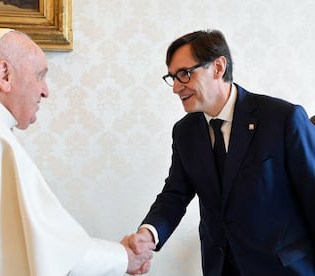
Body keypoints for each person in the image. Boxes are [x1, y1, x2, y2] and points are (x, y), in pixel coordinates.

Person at [0, 28, 155, 276]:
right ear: (4, 74)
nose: (46, 91)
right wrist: (125, 258)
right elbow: (55, 252)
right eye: (40, 76)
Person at [126, 29, 315, 275]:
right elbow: (175, 194)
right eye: (172, 77)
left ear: (218, 67)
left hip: (284, 268)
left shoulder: (283, 119)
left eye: (184, 74)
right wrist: (148, 234)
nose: (175, 88)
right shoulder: (185, 132)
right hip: (221, 268)